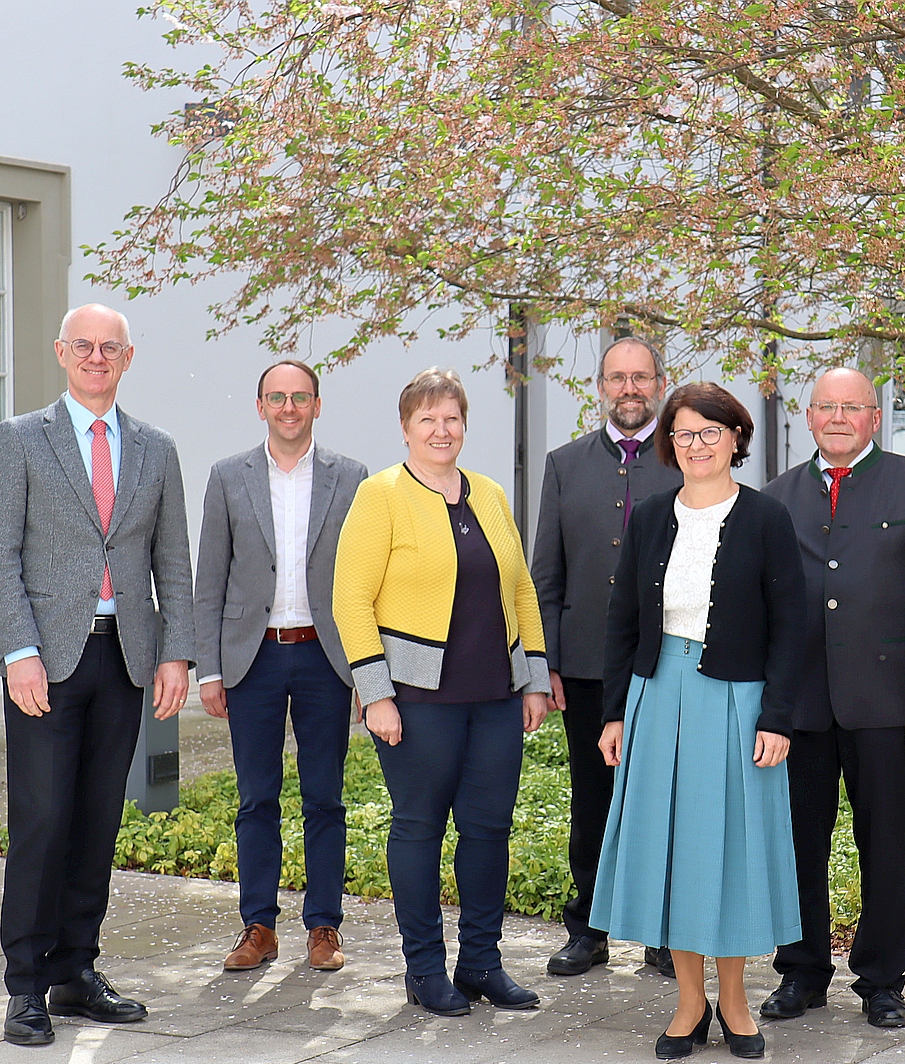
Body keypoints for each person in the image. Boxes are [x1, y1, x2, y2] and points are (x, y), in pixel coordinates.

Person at [0, 303, 194, 1047]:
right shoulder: (19, 440)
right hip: (45, 658)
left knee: (99, 820)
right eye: (85, 346)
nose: (97, 358)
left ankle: (76, 971)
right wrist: (19, 651)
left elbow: (172, 560)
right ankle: (25, 986)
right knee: (42, 820)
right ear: (62, 352)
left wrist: (177, 651)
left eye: (111, 348)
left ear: (127, 359)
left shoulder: (156, 447)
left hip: (125, 657)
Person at [593, 382, 806, 1060]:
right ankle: (689, 1000)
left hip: (737, 700)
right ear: (670, 443)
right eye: (685, 434)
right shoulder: (652, 516)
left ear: (737, 439)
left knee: (731, 848)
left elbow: (791, 628)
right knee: (676, 848)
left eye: (711, 432)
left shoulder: (767, 519)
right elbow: (622, 621)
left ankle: (736, 1001)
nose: (698, 445)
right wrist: (613, 713)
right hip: (657, 696)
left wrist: (776, 717)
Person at [332, 368, 551, 1016]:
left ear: (464, 424)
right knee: (420, 829)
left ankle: (481, 963)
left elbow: (521, 590)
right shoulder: (382, 495)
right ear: (405, 428)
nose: (441, 429)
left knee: (488, 831)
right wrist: (375, 694)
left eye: (451, 417)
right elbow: (351, 599)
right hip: (416, 701)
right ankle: (424, 970)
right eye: (427, 419)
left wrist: (533, 680)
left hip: (494, 700)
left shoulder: (487, 493)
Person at [759, 367, 905, 1029]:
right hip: (801, 706)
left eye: (852, 407)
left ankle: (882, 981)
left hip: (887, 701)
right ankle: (802, 972)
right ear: (808, 418)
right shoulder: (776, 497)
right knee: (798, 846)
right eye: (825, 407)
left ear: (874, 417)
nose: (838, 418)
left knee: (885, 844)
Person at [194, 360, 369, 973]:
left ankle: (324, 926)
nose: (289, 407)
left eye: (300, 397)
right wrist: (208, 669)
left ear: (317, 405)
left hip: (326, 656)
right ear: (260, 405)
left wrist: (364, 670)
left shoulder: (352, 478)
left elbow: (363, 577)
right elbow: (209, 576)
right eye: (277, 397)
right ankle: (258, 927)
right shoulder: (227, 477)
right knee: (255, 799)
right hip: (253, 656)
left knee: (325, 797)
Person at [530, 337, 682, 978]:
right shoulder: (565, 465)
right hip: (587, 665)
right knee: (591, 800)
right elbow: (547, 574)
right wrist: (548, 664)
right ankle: (588, 929)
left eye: (641, 378)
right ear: (600, 386)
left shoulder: (689, 458)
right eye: (618, 378)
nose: (630, 389)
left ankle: (662, 933)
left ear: (659, 383)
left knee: (662, 798)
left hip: (667, 666)